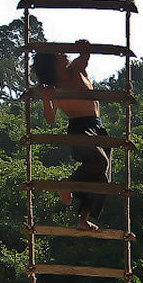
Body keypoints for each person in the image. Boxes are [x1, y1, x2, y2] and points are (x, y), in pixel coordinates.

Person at [32, 40, 112, 231]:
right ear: (53, 63)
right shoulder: (54, 86)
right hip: (79, 128)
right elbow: (50, 118)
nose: (65, 54)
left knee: (102, 179)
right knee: (100, 162)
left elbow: (85, 55)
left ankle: (83, 219)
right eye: (59, 54)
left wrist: (84, 45)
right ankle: (69, 184)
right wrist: (45, 99)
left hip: (98, 127)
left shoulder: (77, 69)